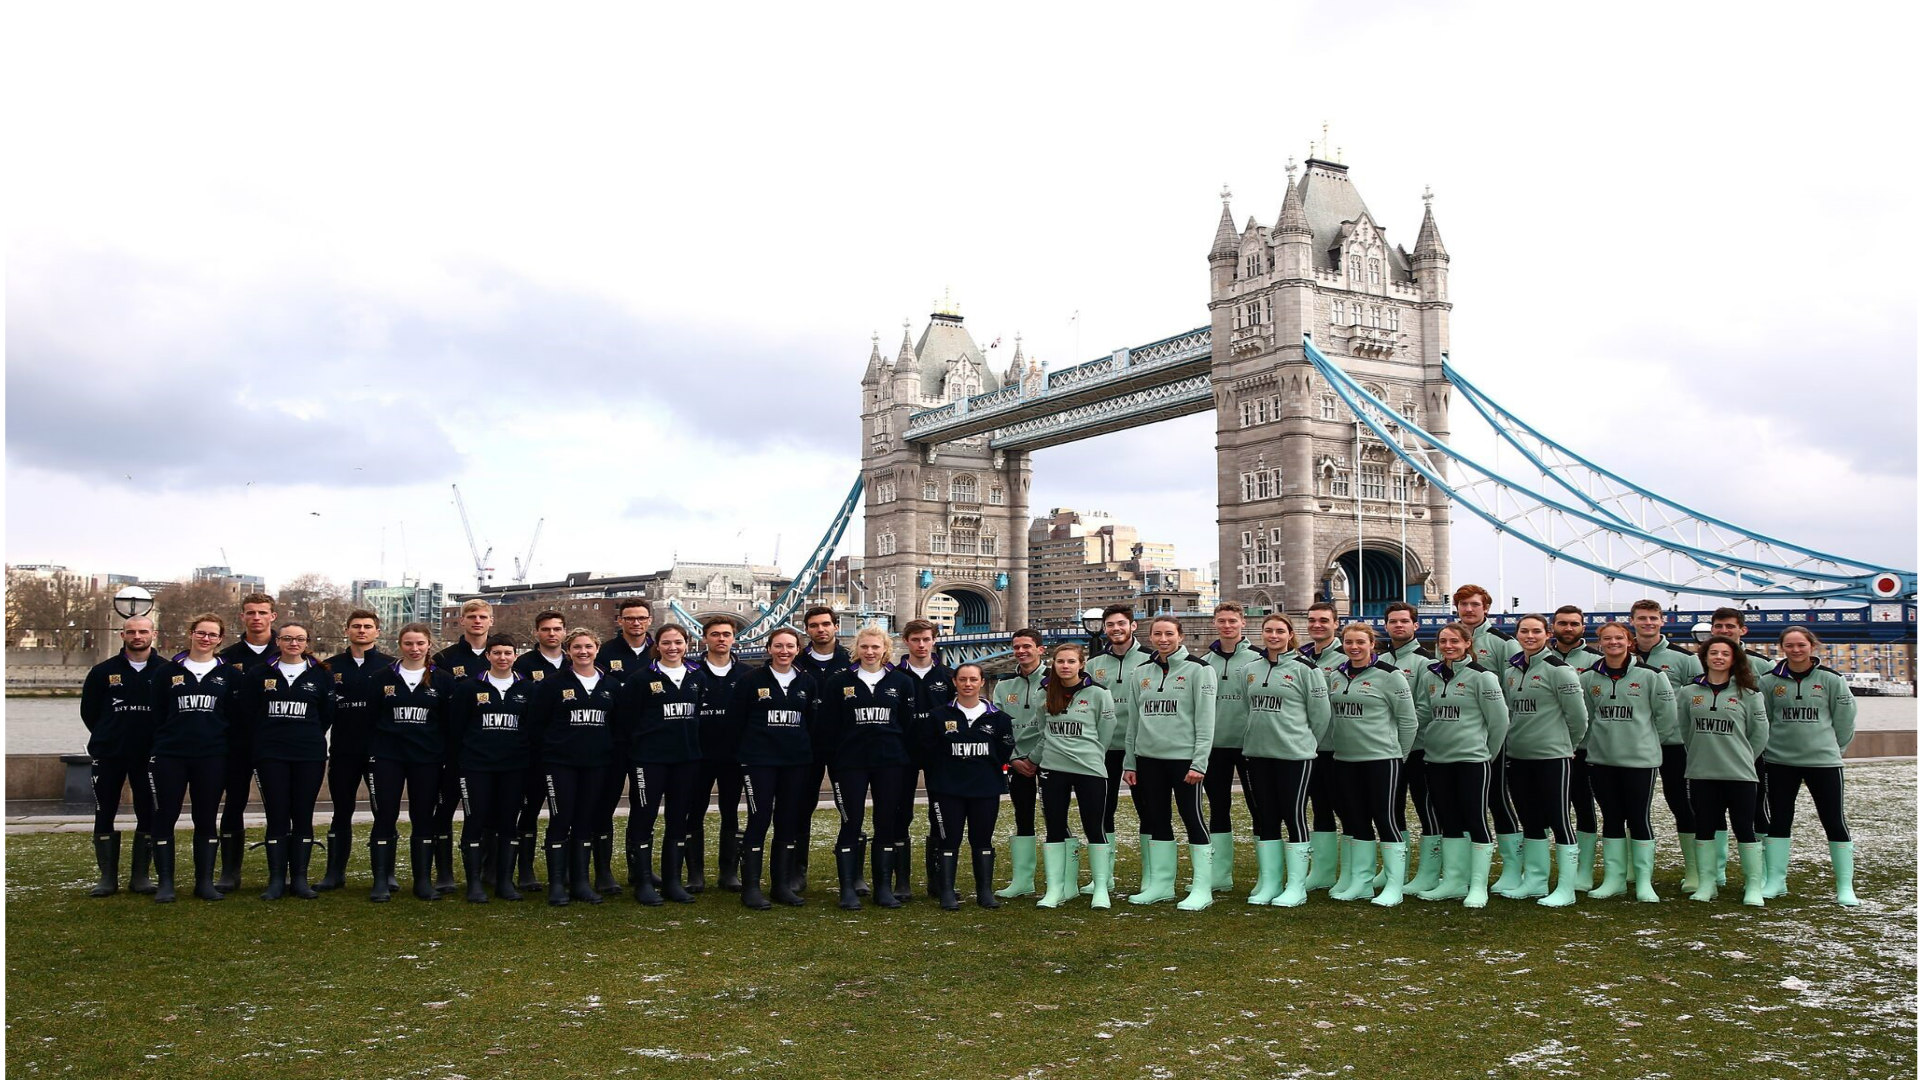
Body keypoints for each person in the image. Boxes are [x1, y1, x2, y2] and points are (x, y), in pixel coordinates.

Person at [1409, 623, 1510, 908]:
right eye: (1443, 641)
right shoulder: (1431, 675)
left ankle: (1478, 886)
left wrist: (1485, 755)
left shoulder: (1483, 676)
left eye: (1454, 640)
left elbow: (1499, 721)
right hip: (1437, 759)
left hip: (1471, 761)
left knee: (1475, 819)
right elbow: (1424, 714)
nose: (1448, 646)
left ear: (1467, 643)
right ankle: (1454, 880)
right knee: (1448, 819)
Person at [1757, 625, 1860, 906]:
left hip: (1823, 762)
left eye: (1801, 645)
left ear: (1811, 646)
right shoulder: (1769, 681)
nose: (1795, 650)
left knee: (1833, 820)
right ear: (1782, 648)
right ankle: (1776, 881)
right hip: (1780, 761)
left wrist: (1833, 749)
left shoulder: (1831, 679)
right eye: (1789, 645)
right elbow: (1762, 719)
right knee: (1779, 820)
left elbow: (1845, 720)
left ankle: (1844, 886)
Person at [1122, 616, 1218, 910]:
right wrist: (1130, 762)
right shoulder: (1141, 673)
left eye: (1169, 634)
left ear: (1180, 636)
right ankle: (1162, 885)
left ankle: (1203, 888)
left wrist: (1199, 762)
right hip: (1149, 759)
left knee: (1192, 818)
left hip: (1184, 760)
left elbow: (1205, 721)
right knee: (1156, 820)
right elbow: (1133, 722)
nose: (1163, 639)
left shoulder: (1200, 671)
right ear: (1150, 637)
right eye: (1157, 634)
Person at [1579, 622, 1679, 903]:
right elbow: (1585, 716)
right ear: (1599, 643)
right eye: (1606, 638)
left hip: (1640, 760)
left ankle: (1644, 882)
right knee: (1611, 817)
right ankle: (1614, 879)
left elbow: (1667, 718)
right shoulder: (1589, 677)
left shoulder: (1652, 676)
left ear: (1629, 641)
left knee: (1638, 817)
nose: (1613, 642)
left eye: (1618, 638)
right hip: (1601, 759)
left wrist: (1645, 741)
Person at [816, 626, 915, 910]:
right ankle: (847, 888)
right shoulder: (838, 682)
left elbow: (907, 724)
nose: (870, 652)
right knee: (851, 822)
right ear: (856, 649)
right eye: (865, 647)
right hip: (851, 763)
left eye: (875, 647)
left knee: (886, 823)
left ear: (886, 649)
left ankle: (883, 888)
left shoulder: (902, 682)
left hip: (890, 762)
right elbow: (828, 725)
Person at [147, 614, 243, 902]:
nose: (206, 639)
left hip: (212, 755)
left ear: (220, 639)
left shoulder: (230, 674)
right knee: (166, 815)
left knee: (205, 817)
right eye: (201, 633)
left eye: (212, 635)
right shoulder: (168, 671)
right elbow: (156, 713)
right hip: (171, 755)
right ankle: (165, 882)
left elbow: (236, 717)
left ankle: (204, 882)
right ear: (191, 634)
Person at [237, 621, 333, 900]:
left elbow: (327, 714)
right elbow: (249, 712)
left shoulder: (321, 674)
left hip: (309, 754)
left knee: (303, 814)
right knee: (277, 814)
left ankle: (300, 879)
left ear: (307, 643)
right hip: (271, 754)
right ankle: (276, 879)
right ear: (278, 641)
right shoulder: (259, 673)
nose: (293, 643)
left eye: (299, 639)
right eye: (288, 638)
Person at [1240, 613, 1330, 907]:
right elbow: (1247, 706)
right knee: (1266, 817)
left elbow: (1320, 715)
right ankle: (1270, 882)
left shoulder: (1307, 669)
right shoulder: (1250, 669)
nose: (1273, 636)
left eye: (1280, 631)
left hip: (1294, 755)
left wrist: (1302, 741)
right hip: (1258, 754)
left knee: (1293, 815)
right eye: (1268, 631)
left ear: (1290, 634)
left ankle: (1296, 886)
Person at [1323, 623, 1416, 904]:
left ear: (1371, 644)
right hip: (1345, 759)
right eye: (1349, 642)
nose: (1354, 647)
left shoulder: (1390, 676)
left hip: (1381, 760)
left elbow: (1409, 722)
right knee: (1355, 820)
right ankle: (1362, 882)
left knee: (1385, 819)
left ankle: (1394, 886)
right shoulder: (1336, 675)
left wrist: (1398, 757)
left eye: (1360, 642)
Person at [1501, 614, 1589, 907]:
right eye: (1524, 631)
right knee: (1530, 818)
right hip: (1519, 756)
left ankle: (1566, 887)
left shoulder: (1560, 670)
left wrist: (1567, 745)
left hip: (1553, 756)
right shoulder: (1511, 670)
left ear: (1547, 634)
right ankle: (1536, 881)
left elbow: (1578, 717)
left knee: (1560, 818)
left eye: (1536, 631)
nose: (1529, 636)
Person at [617, 622, 705, 905]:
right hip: (649, 760)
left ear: (687, 644)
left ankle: (672, 882)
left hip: (686, 759)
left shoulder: (696, 676)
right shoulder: (641, 678)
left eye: (678, 642)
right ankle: (643, 881)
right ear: (657, 645)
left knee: (678, 820)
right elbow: (627, 718)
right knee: (644, 818)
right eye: (666, 642)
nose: (672, 647)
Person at [730, 626, 817, 909]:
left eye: (790, 646)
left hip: (795, 761)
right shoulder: (750, 680)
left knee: (788, 821)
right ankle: (752, 888)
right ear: (768, 648)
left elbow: (812, 722)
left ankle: (781, 885)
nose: (784, 651)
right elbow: (736, 720)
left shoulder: (807, 681)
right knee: (759, 819)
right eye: (778, 646)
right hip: (759, 761)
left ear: (798, 649)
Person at [445, 633, 536, 902]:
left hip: (514, 767)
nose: (503, 657)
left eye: (508, 653)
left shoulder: (528, 688)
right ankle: (474, 882)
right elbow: (456, 728)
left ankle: (505, 882)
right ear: (488, 656)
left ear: (515, 656)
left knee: (509, 822)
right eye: (497, 653)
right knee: (475, 820)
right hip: (476, 766)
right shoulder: (470, 687)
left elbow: (533, 730)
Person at [1682, 635, 1769, 906]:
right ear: (1704, 657)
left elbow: (1759, 735)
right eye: (1713, 653)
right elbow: (1685, 730)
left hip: (1740, 774)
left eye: (1725, 653)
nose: (1719, 657)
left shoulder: (1750, 694)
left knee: (1744, 827)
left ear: (1734, 659)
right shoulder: (1689, 692)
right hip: (1701, 773)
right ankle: (1707, 884)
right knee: (1705, 827)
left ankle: (1753, 886)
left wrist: (1742, 757)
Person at [80, 616, 163, 897]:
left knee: (148, 812)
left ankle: (140, 876)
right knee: (105, 810)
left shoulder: (167, 670)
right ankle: (107, 878)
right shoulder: (103, 671)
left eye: (143, 631)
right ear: (122, 635)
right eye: (131, 632)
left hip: (150, 755)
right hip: (110, 754)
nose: (137, 636)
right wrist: (110, 734)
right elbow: (89, 713)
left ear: (154, 634)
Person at [1029, 643, 1117, 909]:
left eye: (1070, 661)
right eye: (1060, 661)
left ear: (1082, 664)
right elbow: (1044, 732)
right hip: (1052, 770)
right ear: (1053, 664)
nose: (1065, 666)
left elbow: (1106, 733)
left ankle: (1101, 887)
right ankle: (1057, 888)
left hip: (1089, 769)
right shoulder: (1043, 693)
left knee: (1094, 827)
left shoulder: (1099, 694)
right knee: (1054, 827)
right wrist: (1034, 760)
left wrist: (1089, 755)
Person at [920, 663, 1014, 910]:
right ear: (955, 682)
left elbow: (1004, 750)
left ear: (982, 682)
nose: (968, 684)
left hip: (985, 789)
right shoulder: (938, 715)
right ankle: (947, 891)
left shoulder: (999, 718)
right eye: (963, 679)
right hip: (947, 789)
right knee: (948, 840)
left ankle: (984, 891)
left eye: (973, 679)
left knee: (982, 839)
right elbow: (928, 751)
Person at [534, 629, 619, 905]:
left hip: (597, 764)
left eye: (589, 647)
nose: (583, 652)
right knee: (561, 819)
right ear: (568, 650)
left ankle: (581, 881)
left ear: (597, 649)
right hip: (560, 763)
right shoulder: (552, 684)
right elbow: (537, 723)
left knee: (585, 821)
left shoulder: (611, 685)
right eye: (577, 647)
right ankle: (558, 884)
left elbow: (618, 726)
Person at [367, 623, 450, 902]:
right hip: (389, 757)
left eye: (420, 644)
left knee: (423, 817)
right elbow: (370, 718)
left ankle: (423, 882)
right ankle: (381, 880)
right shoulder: (382, 677)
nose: (414, 649)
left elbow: (451, 723)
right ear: (399, 645)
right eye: (408, 644)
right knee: (385, 815)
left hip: (427, 759)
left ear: (429, 645)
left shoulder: (443, 680)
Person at [1450, 584, 1524, 895]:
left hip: (1492, 735)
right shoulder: (1450, 639)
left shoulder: (1502, 643)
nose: (1469, 610)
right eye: (1463, 604)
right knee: (1463, 803)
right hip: (1460, 737)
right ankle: (1461, 870)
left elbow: (1513, 688)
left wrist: (1501, 733)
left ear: (1486, 607)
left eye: (1475, 604)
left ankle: (1512, 868)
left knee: (1496, 799)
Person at [1629, 598, 1705, 890]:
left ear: (1663, 621)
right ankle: (1633, 870)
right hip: (1632, 743)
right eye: (1642, 618)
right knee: (1632, 806)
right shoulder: (1622, 655)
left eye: (1653, 618)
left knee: (1682, 804)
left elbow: (1698, 698)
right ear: (1632, 621)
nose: (1648, 623)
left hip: (1674, 743)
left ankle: (1695, 871)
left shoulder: (1684, 659)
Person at [316, 609, 393, 892]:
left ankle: (385, 874)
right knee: (341, 811)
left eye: (368, 626)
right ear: (346, 630)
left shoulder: (390, 666)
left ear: (377, 631)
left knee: (383, 812)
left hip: (380, 751)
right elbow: (323, 710)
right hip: (343, 750)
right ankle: (334, 872)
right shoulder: (328, 667)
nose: (362, 631)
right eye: (356, 626)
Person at [214, 592, 279, 892]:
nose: (256, 618)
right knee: (233, 805)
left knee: (280, 809)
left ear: (272, 616)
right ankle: (230, 871)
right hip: (235, 744)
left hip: (275, 744)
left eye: (262, 612)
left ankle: (279, 871)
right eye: (250, 612)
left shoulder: (290, 651)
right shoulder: (226, 657)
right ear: (242, 616)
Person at [1086, 605, 1153, 895]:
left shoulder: (1151, 658)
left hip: (1141, 747)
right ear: (1104, 629)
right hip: (1105, 748)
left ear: (1132, 626)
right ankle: (1104, 877)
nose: (1115, 629)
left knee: (1149, 811)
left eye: (1121, 624)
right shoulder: (1094, 664)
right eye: (1110, 625)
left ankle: (1152, 877)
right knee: (1103, 811)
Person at [429, 599, 495, 895]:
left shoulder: (501, 654)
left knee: (487, 812)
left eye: (483, 616)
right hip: (453, 750)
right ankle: (444, 872)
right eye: (472, 616)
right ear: (462, 621)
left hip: (489, 751)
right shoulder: (444, 658)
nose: (477, 621)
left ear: (491, 621)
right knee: (443, 811)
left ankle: (485, 869)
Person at [1199, 602, 1260, 895]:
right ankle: (1220, 875)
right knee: (1218, 808)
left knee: (1259, 810)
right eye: (1222, 621)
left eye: (1232, 621)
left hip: (1249, 746)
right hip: (1215, 747)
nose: (1227, 626)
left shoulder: (1257, 659)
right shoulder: (1204, 662)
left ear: (1242, 623)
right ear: (1214, 623)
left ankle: (1267, 876)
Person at [1711, 605, 1775, 879]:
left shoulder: (1762, 665)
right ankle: (1716, 871)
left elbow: (1769, 713)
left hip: (1750, 755)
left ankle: (1762, 875)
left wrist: (1749, 752)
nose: (1724, 632)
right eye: (1719, 627)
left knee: (1757, 812)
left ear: (1742, 630)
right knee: (1711, 813)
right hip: (1713, 752)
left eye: (1730, 627)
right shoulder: (1704, 662)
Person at [895, 619, 956, 900]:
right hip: (902, 753)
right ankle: (902, 882)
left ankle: (938, 880)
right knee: (900, 815)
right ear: (906, 641)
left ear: (934, 641)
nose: (921, 645)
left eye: (926, 639)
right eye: (916, 639)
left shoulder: (948, 676)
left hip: (939, 754)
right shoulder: (893, 676)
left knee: (939, 815)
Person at [596, 598, 654, 895]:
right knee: (605, 805)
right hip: (612, 741)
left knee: (644, 807)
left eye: (641, 618)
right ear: (619, 621)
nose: (636, 623)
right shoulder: (604, 652)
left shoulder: (661, 650)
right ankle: (603, 871)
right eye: (629, 618)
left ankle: (639, 869)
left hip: (649, 743)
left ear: (649, 620)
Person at [688, 617, 749, 894]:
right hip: (698, 755)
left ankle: (729, 872)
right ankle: (695, 873)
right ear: (705, 639)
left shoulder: (747, 674)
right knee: (694, 813)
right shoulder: (691, 671)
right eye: (715, 634)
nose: (721, 639)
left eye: (726, 634)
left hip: (733, 755)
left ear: (734, 639)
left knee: (730, 812)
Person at [1380, 601, 1438, 894]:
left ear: (1416, 625)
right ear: (1386, 626)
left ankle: (1429, 872)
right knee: (1392, 808)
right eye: (1393, 621)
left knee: (1426, 808)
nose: (1398, 625)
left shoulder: (1426, 662)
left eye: (1404, 621)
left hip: (1418, 748)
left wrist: (1407, 734)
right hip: (1385, 748)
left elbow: (1425, 708)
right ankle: (1395, 871)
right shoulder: (1379, 659)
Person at [793, 606, 850, 897]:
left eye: (826, 624)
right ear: (807, 630)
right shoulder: (795, 661)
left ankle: (851, 875)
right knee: (801, 809)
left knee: (849, 810)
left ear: (836, 626)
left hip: (844, 747)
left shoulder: (853, 659)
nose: (821, 630)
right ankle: (796, 873)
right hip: (806, 746)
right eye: (814, 625)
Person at [508, 610, 567, 892]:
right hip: (533, 751)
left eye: (557, 629)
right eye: (546, 629)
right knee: (529, 810)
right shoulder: (523, 663)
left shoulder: (575, 660)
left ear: (564, 632)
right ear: (536, 633)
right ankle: (526, 869)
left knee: (565, 811)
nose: (552, 634)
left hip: (567, 751)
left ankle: (563, 869)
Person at [990, 629, 1048, 899]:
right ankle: (1023, 880)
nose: (1021, 651)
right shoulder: (1003, 687)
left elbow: (1056, 725)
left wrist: (1034, 757)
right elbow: (997, 728)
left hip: (1049, 758)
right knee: (1022, 817)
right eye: (1016, 647)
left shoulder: (1055, 681)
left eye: (1027, 646)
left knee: (1055, 818)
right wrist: (1013, 758)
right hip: (1017, 762)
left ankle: (1062, 880)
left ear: (1040, 649)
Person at [1549, 604, 1603, 889]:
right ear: (1553, 627)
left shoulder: (1597, 659)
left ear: (1583, 627)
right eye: (1562, 624)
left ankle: (1583, 870)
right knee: (1547, 808)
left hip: (1583, 747)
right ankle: (1542, 868)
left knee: (1583, 805)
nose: (1567, 628)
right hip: (1546, 747)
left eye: (1573, 624)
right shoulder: (1538, 658)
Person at [1295, 601, 1347, 891]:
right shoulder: (1301, 656)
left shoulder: (1346, 654)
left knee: (1348, 809)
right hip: (1310, 746)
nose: (1317, 625)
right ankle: (1324, 871)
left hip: (1339, 746)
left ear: (1335, 623)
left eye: (1324, 620)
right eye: (1312, 620)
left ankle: (1353, 874)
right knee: (1320, 808)